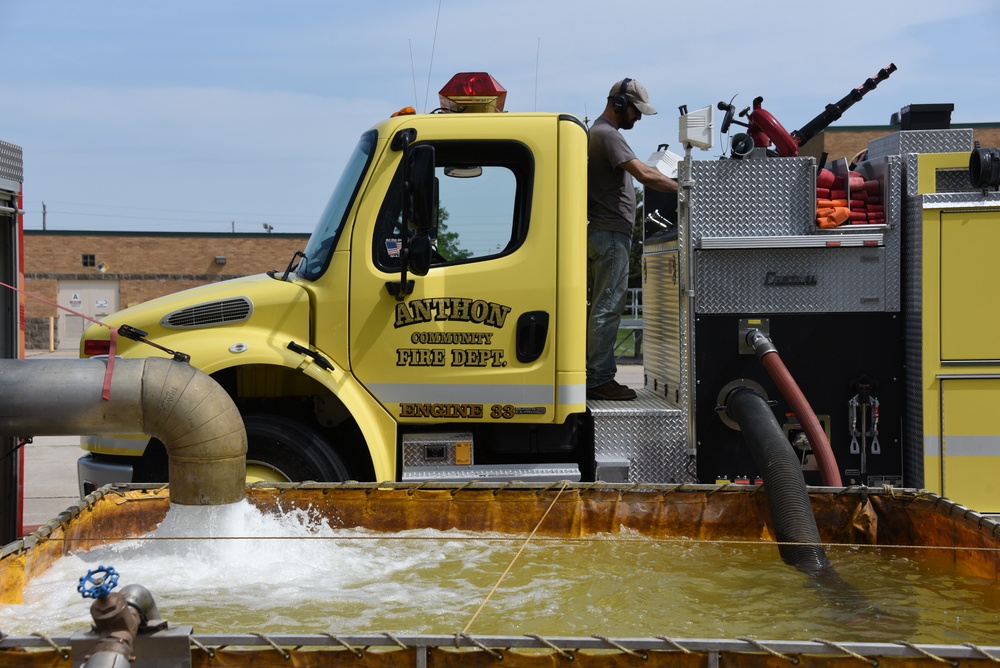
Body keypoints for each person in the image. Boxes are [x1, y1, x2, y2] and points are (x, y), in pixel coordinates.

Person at [587, 78, 678, 401]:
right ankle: (598, 378)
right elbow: (644, 173)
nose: (637, 119)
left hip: (605, 232)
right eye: (636, 112)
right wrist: (685, 188)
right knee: (609, 308)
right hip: (610, 234)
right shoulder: (607, 135)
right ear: (620, 104)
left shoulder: (598, 134)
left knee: (602, 306)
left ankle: (595, 373)